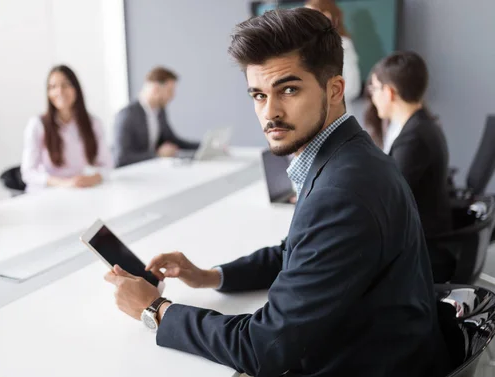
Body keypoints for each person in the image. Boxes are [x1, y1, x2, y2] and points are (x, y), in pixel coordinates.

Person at [104, 8, 449, 377]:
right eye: (257, 94)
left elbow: (263, 347)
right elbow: (293, 251)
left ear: (334, 90)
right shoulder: (350, 157)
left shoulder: (344, 191)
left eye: (288, 89)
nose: (270, 112)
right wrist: (209, 276)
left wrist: (156, 310)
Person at [368, 51, 453, 282]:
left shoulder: (413, 139)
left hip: (423, 251)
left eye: (374, 89)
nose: (372, 97)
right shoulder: (422, 124)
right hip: (425, 237)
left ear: (389, 92)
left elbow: (387, 200)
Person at [21, 65, 113, 192]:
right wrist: (64, 183)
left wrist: (92, 179)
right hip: (46, 192)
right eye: (53, 87)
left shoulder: (93, 124)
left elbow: (107, 166)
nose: (59, 91)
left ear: (76, 89)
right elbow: (28, 173)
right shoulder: (37, 125)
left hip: (77, 191)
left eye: (65, 85)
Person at [113, 67, 199, 167]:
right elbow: (122, 158)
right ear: (155, 89)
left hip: (152, 169)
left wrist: (205, 146)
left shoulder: (159, 112)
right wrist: (157, 155)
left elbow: (173, 140)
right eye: (170, 91)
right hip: (132, 174)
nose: (172, 96)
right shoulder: (127, 115)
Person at [305, 0, 361, 107]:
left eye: (310, 16)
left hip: (336, 111)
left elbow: (353, 87)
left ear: (327, 16)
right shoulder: (307, 46)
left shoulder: (344, 44)